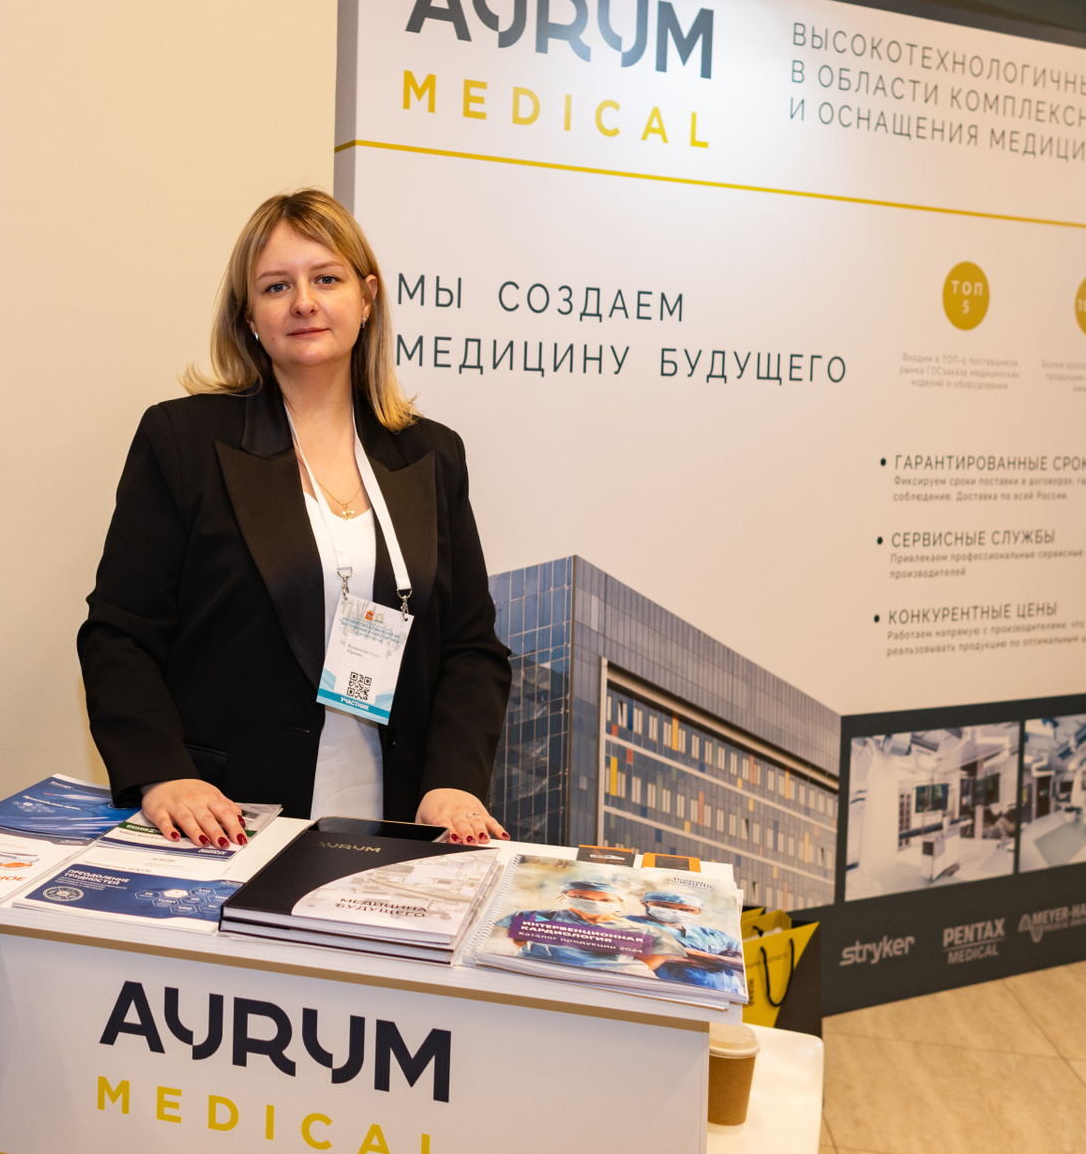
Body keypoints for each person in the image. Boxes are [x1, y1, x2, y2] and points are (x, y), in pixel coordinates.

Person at [78, 189, 511, 848]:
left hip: (399, 821)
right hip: (228, 820)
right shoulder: (184, 442)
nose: (304, 301)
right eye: (277, 286)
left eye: (327, 279)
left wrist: (454, 781)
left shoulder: (430, 454)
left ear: (367, 299)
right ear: (249, 315)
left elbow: (470, 647)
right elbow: (119, 635)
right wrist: (164, 774)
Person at [498, 877, 676, 977]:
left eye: (605, 900)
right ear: (563, 897)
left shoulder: (645, 932)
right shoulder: (535, 916)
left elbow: (652, 960)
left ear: (620, 903)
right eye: (580, 897)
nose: (594, 903)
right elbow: (519, 940)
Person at [628, 890, 745, 992]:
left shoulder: (715, 935)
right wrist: (721, 961)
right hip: (671, 993)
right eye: (664, 906)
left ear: (698, 911)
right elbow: (640, 956)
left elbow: (741, 963)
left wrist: (683, 952)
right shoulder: (628, 924)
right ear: (644, 903)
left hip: (726, 992)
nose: (675, 912)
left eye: (686, 910)